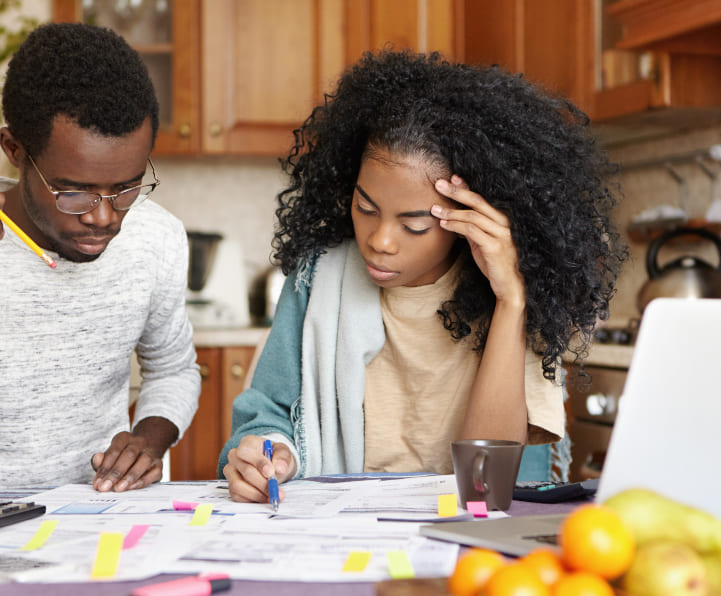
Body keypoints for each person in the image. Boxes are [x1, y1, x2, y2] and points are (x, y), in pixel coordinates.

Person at [221, 50, 627, 504]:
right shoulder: (316, 282)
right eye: (365, 207)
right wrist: (267, 453)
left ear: (470, 216)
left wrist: (512, 300)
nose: (381, 240)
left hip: (470, 534)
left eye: (414, 224)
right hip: (345, 530)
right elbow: (269, 414)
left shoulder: (513, 295)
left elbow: (487, 485)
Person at [0, 23, 201, 498]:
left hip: (100, 523)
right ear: (14, 151)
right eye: (74, 191)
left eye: (127, 186)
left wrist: (148, 441)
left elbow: (174, 368)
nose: (105, 217)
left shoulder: (156, 238)